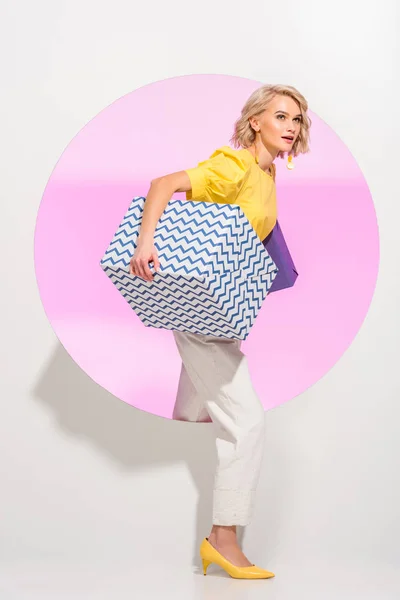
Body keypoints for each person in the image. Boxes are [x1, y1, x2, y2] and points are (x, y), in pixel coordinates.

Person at [129, 83, 311, 579]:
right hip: (196, 309)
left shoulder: (268, 174)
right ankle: (223, 538)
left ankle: (204, 531)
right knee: (247, 421)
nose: (291, 127)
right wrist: (146, 245)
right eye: (281, 116)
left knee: (193, 414)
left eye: (297, 119)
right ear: (256, 121)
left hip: (217, 312)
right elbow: (163, 183)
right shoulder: (234, 166)